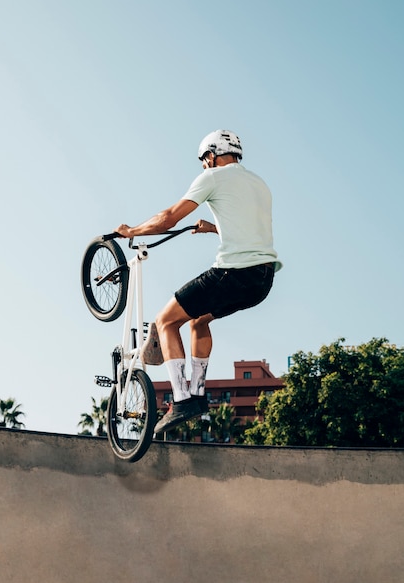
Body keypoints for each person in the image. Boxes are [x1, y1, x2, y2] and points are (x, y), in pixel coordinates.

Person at [115, 129, 282, 434]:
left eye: (205, 161)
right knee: (198, 321)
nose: (204, 167)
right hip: (262, 279)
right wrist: (213, 228)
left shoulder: (213, 177)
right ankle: (198, 392)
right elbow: (249, 229)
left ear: (212, 155)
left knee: (165, 321)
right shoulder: (259, 184)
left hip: (233, 272)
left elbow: (168, 218)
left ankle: (182, 400)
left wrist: (133, 231)